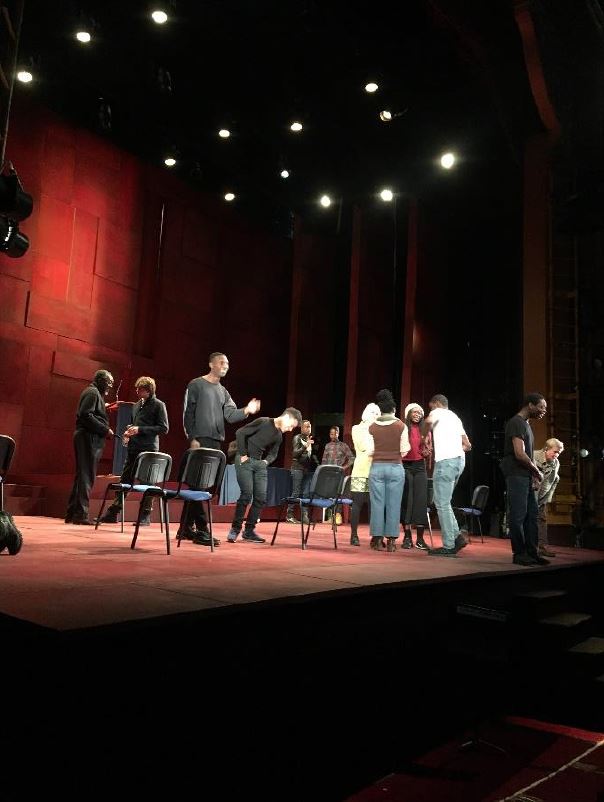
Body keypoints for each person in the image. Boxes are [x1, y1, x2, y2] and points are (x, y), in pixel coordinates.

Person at [180, 352, 261, 545]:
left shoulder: (223, 391)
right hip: (199, 441)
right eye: (222, 362)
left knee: (202, 486)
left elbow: (231, 415)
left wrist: (247, 410)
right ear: (211, 364)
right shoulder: (196, 384)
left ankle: (184, 529)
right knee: (198, 486)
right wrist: (192, 438)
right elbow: (187, 413)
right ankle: (201, 530)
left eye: (227, 364)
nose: (226, 366)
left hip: (216, 443)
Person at [96, 377, 169, 527]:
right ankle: (113, 514)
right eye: (137, 389)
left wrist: (140, 429)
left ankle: (145, 516)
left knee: (148, 482)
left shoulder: (158, 405)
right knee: (125, 480)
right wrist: (129, 432)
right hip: (134, 448)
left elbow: (164, 428)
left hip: (149, 450)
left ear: (149, 390)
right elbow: (134, 425)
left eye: (140, 389)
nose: (137, 391)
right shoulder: (136, 406)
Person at [227, 408, 302, 543]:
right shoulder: (263, 422)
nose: (290, 429)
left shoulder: (278, 436)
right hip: (245, 460)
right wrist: (243, 454)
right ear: (286, 417)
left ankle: (249, 531)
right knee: (246, 494)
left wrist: (266, 462)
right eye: (291, 425)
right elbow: (240, 433)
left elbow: (273, 453)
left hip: (259, 464)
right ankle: (235, 529)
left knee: (261, 497)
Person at [499, 392, 549, 566]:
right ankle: (519, 553)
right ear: (530, 405)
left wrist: (534, 475)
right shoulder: (516, 423)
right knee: (518, 515)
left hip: (525, 475)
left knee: (532, 515)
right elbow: (520, 454)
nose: (544, 411)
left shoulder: (527, 425)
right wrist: (537, 471)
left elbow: (528, 454)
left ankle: (531, 552)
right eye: (541, 407)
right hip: (516, 474)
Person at [421, 394, 472, 557]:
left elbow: (427, 423)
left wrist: (424, 438)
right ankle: (456, 537)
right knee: (444, 502)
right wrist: (455, 451)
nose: (431, 410)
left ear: (436, 404)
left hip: (446, 461)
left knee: (441, 503)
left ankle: (449, 545)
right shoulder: (455, 417)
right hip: (459, 462)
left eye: (431, 407)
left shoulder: (438, 412)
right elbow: (468, 445)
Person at [65, 370, 115, 525]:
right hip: (88, 438)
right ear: (100, 380)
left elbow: (91, 413)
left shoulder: (93, 393)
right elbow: (86, 415)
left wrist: (104, 407)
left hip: (86, 437)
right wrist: (105, 429)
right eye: (109, 382)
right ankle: (81, 515)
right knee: (87, 476)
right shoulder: (93, 393)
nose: (110, 386)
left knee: (82, 475)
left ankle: (73, 514)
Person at [367, 389, 410, 552]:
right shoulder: (401, 425)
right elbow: (405, 449)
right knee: (394, 504)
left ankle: (377, 540)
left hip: (377, 467)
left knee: (378, 504)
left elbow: (369, 450)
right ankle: (391, 541)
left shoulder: (371, 427)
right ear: (393, 410)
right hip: (396, 467)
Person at [401, 403, 431, 551]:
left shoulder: (425, 429)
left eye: (420, 412)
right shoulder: (403, 428)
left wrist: (427, 451)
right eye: (415, 411)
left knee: (420, 501)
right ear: (408, 413)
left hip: (419, 467)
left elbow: (428, 449)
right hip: (405, 466)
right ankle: (407, 537)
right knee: (407, 501)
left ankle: (420, 538)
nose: (418, 414)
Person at [349, 403, 381, 546]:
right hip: (361, 470)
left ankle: (375, 537)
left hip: (376, 471)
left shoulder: (380, 430)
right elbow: (364, 448)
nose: (376, 415)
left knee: (374, 506)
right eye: (373, 412)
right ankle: (354, 535)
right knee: (357, 504)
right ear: (367, 413)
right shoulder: (357, 428)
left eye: (378, 413)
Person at [534, 438, 564, 558]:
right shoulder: (534, 456)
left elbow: (554, 481)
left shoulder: (555, 463)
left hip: (541, 498)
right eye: (555, 452)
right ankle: (528, 548)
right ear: (546, 449)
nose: (556, 455)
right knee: (529, 521)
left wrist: (546, 499)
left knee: (542, 520)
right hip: (530, 496)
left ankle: (542, 548)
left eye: (559, 453)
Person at [286, 419, 319, 525]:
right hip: (297, 469)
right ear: (301, 428)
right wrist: (305, 445)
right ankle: (289, 515)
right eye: (306, 426)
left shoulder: (310, 439)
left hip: (306, 470)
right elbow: (295, 454)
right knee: (296, 492)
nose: (308, 428)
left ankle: (305, 517)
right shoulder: (297, 438)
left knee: (305, 493)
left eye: (309, 426)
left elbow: (310, 456)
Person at [321, 425, 354, 525]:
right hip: (328, 474)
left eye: (335, 433)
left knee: (338, 494)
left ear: (338, 433)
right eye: (331, 434)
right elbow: (324, 460)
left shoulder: (343, 446)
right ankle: (331, 516)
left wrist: (344, 467)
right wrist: (323, 471)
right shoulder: (327, 446)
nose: (333, 435)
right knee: (329, 495)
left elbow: (352, 458)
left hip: (339, 474)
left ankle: (338, 515)